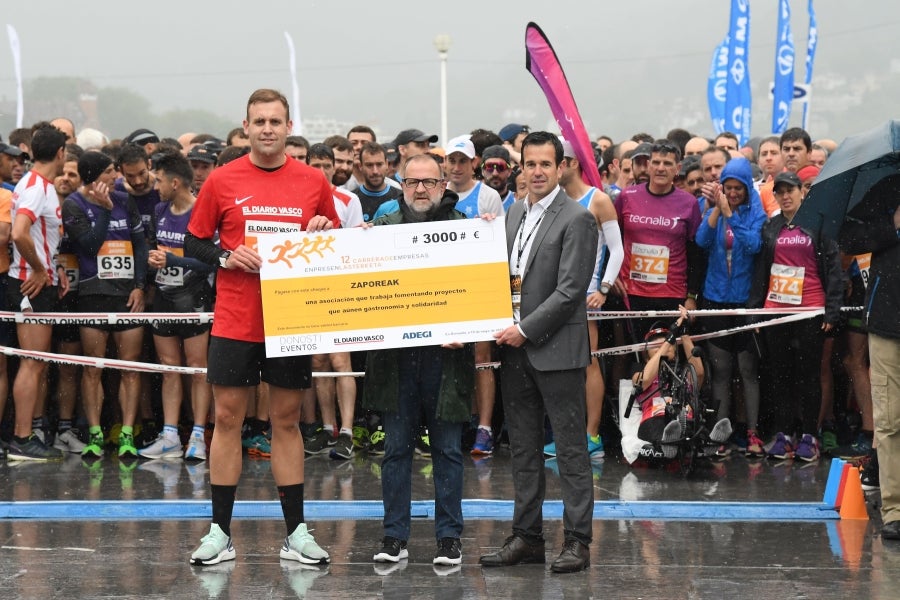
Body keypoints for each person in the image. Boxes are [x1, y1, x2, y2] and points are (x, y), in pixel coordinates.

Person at [184, 88, 338, 566]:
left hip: (291, 318)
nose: (268, 129)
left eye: (276, 121)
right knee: (226, 420)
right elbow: (195, 241)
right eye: (259, 121)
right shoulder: (222, 180)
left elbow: (334, 241)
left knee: (286, 422)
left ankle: (296, 534)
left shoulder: (313, 181)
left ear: (288, 127)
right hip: (236, 318)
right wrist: (227, 255)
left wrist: (322, 231)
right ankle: (219, 534)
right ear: (246, 127)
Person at [480, 131, 598, 574]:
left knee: (569, 451)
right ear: (521, 168)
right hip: (514, 354)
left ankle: (578, 542)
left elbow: (570, 292)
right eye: (530, 164)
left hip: (556, 351)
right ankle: (527, 537)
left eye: (546, 164)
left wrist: (524, 330)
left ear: (561, 166)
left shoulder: (577, 218)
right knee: (524, 450)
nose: (537, 172)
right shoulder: (512, 215)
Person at [365, 153, 474, 567]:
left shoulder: (467, 230)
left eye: (430, 182)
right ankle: (394, 536)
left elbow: (488, 289)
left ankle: (449, 537)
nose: (422, 190)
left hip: (447, 360)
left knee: (447, 450)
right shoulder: (379, 229)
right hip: (395, 359)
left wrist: (469, 331)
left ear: (444, 185)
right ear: (402, 186)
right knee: (395, 451)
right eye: (413, 183)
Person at [749, 171, 843, 463]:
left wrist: (832, 310)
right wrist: (758, 313)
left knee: (809, 375)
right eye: (780, 192)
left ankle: (809, 436)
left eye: (790, 190)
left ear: (803, 192)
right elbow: (761, 272)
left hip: (810, 309)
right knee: (780, 375)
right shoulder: (771, 227)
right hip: (776, 310)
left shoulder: (819, 226)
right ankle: (783, 434)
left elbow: (834, 270)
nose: (785, 196)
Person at [63, 150, 148, 459]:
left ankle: (127, 433)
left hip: (127, 296)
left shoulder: (125, 199)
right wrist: (102, 210)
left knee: (130, 368)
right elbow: (89, 245)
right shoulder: (74, 204)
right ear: (95, 176)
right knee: (93, 369)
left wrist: (140, 286)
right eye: (111, 171)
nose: (117, 176)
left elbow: (140, 245)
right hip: (93, 297)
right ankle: (95, 434)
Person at [542, 137, 623, 461]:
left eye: (556, 163)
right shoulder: (551, 199)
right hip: (555, 297)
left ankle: (591, 434)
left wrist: (603, 289)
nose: (551, 170)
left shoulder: (598, 200)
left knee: (588, 364)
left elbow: (616, 249)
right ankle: (567, 433)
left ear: (571, 163)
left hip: (586, 297)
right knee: (560, 367)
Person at [138, 151, 215, 461]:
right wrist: (155, 261)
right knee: (170, 368)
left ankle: (198, 434)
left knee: (198, 370)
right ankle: (169, 435)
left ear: (175, 182)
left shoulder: (201, 212)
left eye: (158, 180)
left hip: (193, 298)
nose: (155, 186)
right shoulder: (159, 209)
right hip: (164, 297)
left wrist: (173, 260)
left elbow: (211, 261)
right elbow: (157, 249)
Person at [838, 173, 900, 539]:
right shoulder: (888, 188)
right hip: (887, 323)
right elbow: (849, 238)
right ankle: (894, 509)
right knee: (890, 420)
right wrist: (892, 225)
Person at [694, 157, 767, 458]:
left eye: (739, 188)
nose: (734, 193)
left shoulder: (755, 212)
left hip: (744, 300)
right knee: (721, 370)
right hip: (715, 299)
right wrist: (714, 211)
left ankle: (752, 432)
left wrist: (731, 215)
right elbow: (701, 241)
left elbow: (754, 246)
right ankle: (720, 431)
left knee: (748, 370)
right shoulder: (711, 208)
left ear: (748, 188)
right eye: (729, 187)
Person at [5, 125, 69, 461]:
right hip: (30, 283)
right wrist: (40, 269)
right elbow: (19, 233)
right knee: (32, 363)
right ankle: (21, 437)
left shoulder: (36, 185)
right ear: (60, 154)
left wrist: (52, 266)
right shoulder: (36, 187)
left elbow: (40, 237)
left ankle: (23, 434)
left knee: (37, 363)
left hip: (37, 280)